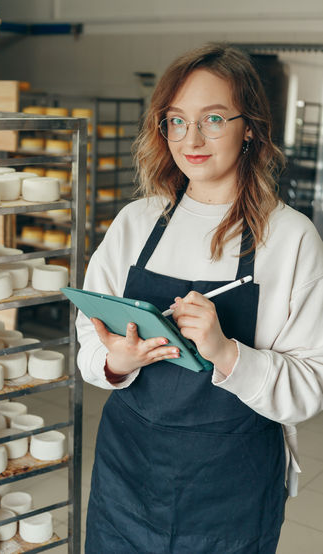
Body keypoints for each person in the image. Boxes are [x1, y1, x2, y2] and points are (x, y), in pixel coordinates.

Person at [76, 42, 323, 554]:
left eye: (213, 118)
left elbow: (309, 386)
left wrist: (227, 353)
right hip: (127, 479)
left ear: (249, 125)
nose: (192, 138)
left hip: (229, 494)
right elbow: (89, 332)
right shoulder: (135, 223)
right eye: (176, 120)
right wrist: (114, 360)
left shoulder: (292, 238)